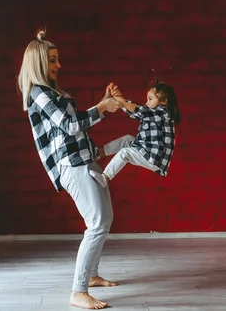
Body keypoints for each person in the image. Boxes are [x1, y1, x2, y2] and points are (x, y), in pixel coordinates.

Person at [17, 30, 121, 310]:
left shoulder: (53, 92)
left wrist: (102, 105)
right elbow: (71, 125)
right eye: (52, 60)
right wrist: (102, 107)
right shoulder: (38, 93)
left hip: (84, 159)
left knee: (104, 219)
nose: (58, 65)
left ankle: (92, 274)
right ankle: (78, 291)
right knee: (97, 223)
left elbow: (73, 128)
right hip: (73, 166)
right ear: (38, 63)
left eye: (57, 59)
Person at [90, 82, 181, 187]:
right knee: (127, 139)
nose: (147, 103)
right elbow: (135, 113)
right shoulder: (153, 114)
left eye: (150, 99)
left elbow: (140, 110)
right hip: (148, 150)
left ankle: (104, 178)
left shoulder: (163, 113)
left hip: (154, 156)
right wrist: (119, 98)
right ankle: (97, 153)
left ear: (164, 101)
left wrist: (121, 100)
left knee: (125, 153)